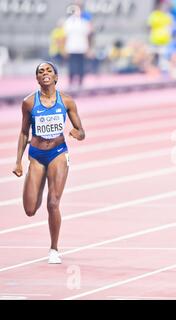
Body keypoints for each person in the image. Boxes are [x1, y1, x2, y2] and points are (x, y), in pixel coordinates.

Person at [12, 62, 86, 264]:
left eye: (48, 71)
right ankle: (39, 179)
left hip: (58, 153)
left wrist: (75, 133)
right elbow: (23, 132)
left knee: (53, 203)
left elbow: (82, 132)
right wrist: (18, 161)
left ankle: (54, 249)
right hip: (36, 155)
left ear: (56, 77)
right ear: (37, 79)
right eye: (40, 72)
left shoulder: (67, 101)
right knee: (30, 209)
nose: (44, 74)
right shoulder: (28, 102)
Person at [64, 4, 92, 90]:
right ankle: (71, 82)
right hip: (71, 47)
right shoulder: (68, 22)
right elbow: (65, 36)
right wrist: (64, 48)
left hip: (81, 47)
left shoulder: (84, 23)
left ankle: (80, 83)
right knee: (71, 66)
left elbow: (88, 36)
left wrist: (88, 48)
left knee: (81, 66)